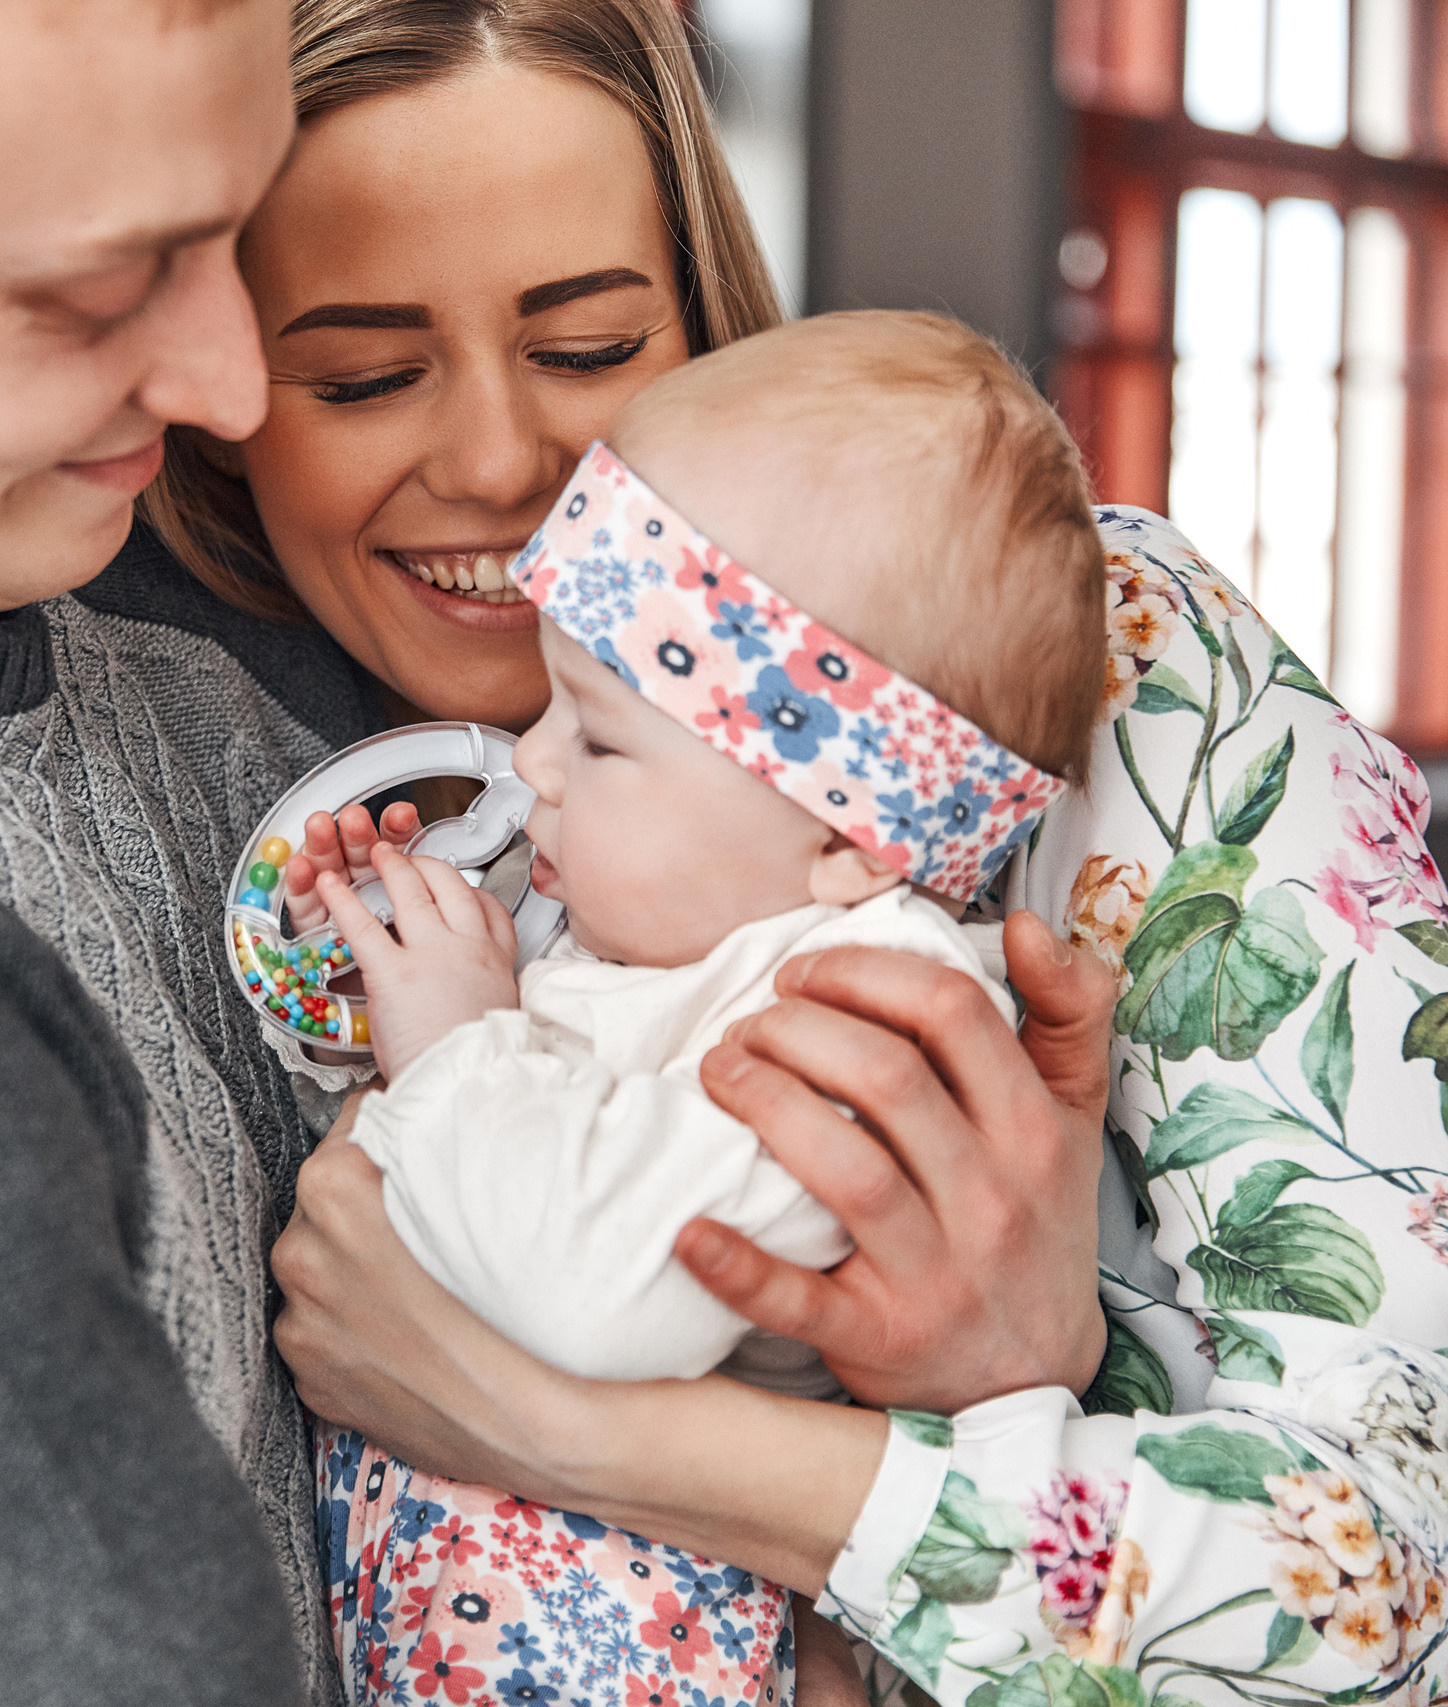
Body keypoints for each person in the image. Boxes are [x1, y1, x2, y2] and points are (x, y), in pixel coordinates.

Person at [0, 0, 1121, 1702]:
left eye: (223, 243)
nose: (229, 386)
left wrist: (987, 1389)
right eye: (96, 281)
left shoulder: (209, 662)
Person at [153, 6, 1448, 1706]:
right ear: (214, 389)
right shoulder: (215, 782)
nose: (496, 468)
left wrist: (576, 1432)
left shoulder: (1106, 657)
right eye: (365, 376)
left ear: (707, 313)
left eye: (591, 344)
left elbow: (1399, 1558)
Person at [303, 312, 1106, 1706]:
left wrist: (452, 1034)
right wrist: (373, 951)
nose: (535, 765)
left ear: (854, 840)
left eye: (599, 735)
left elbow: (590, 1294)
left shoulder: (855, 1018)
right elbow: (465, 1138)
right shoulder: (680, 917)